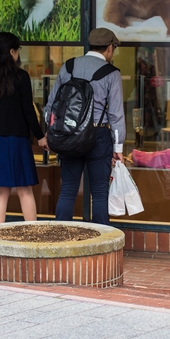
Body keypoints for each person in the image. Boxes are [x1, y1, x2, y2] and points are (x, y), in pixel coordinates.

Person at [42, 28, 126, 224]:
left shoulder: (68, 66)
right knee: (99, 192)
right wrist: (118, 147)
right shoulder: (111, 73)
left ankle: (61, 237)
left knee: (68, 189)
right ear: (109, 48)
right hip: (98, 135)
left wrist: (54, 132)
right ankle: (100, 244)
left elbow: (51, 106)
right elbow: (115, 114)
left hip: (69, 133)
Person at [0, 32, 46, 224]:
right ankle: (31, 232)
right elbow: (28, 111)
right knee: (25, 190)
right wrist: (40, 135)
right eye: (17, 50)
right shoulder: (21, 77)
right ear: (12, 52)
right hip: (17, 139)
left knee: (1, 192)